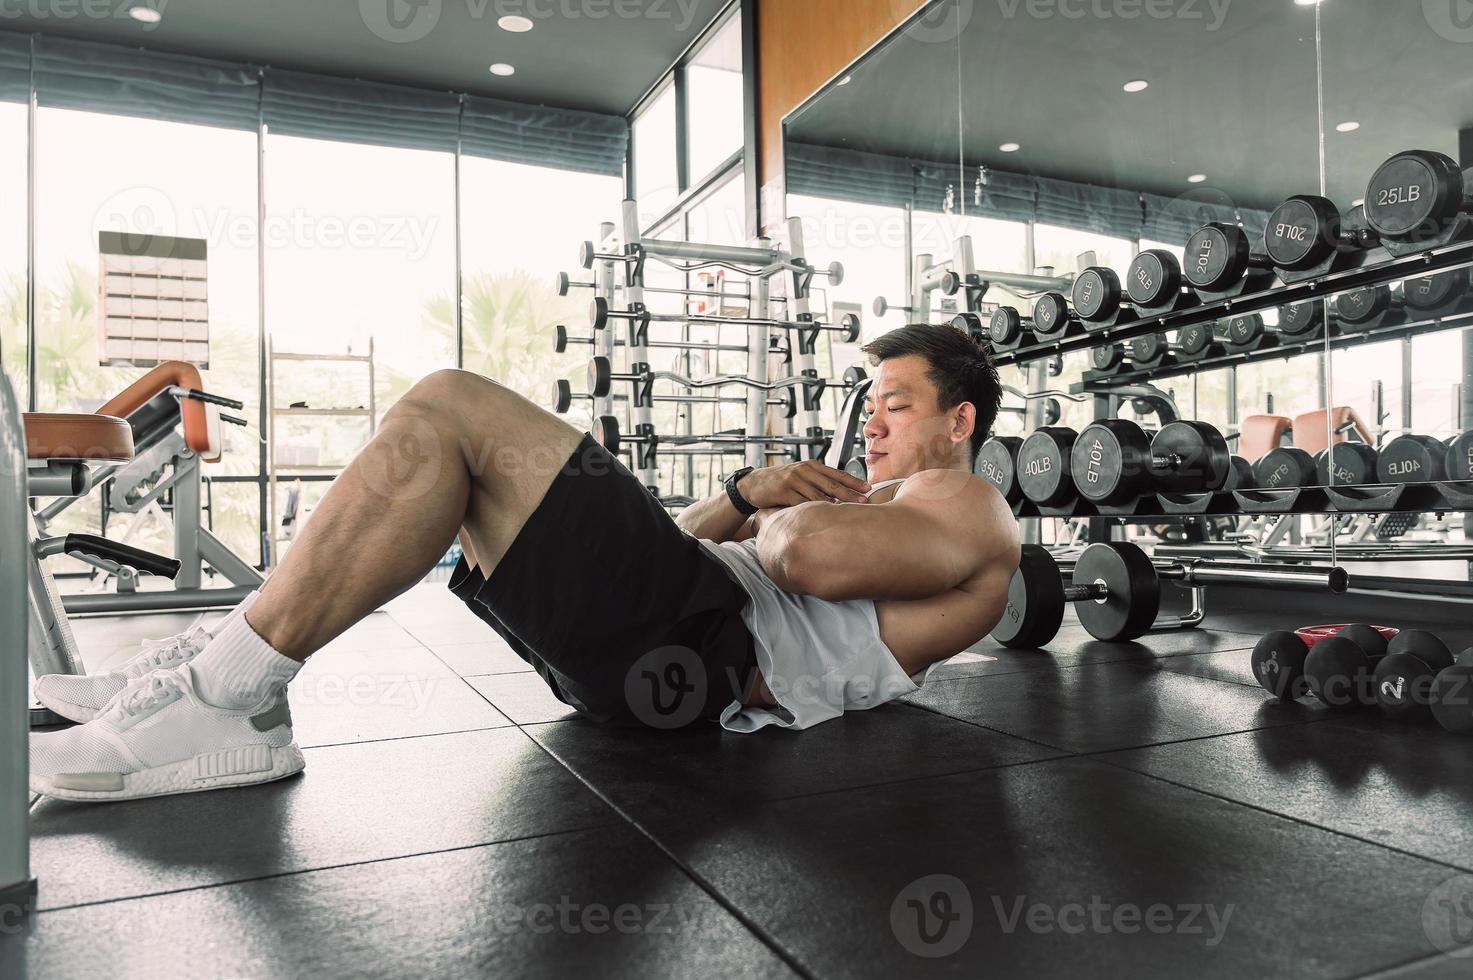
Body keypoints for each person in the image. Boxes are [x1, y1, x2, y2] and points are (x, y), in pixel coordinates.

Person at [29, 323, 1020, 802]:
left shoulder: (967, 505)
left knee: (454, 404)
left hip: (705, 653)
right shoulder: (878, 498)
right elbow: (691, 532)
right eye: (869, 399)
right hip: (673, 637)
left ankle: (229, 691)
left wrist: (766, 511)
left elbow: (801, 555)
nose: (870, 418)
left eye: (893, 400)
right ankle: (221, 670)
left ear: (958, 418)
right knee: (436, 432)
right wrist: (747, 493)